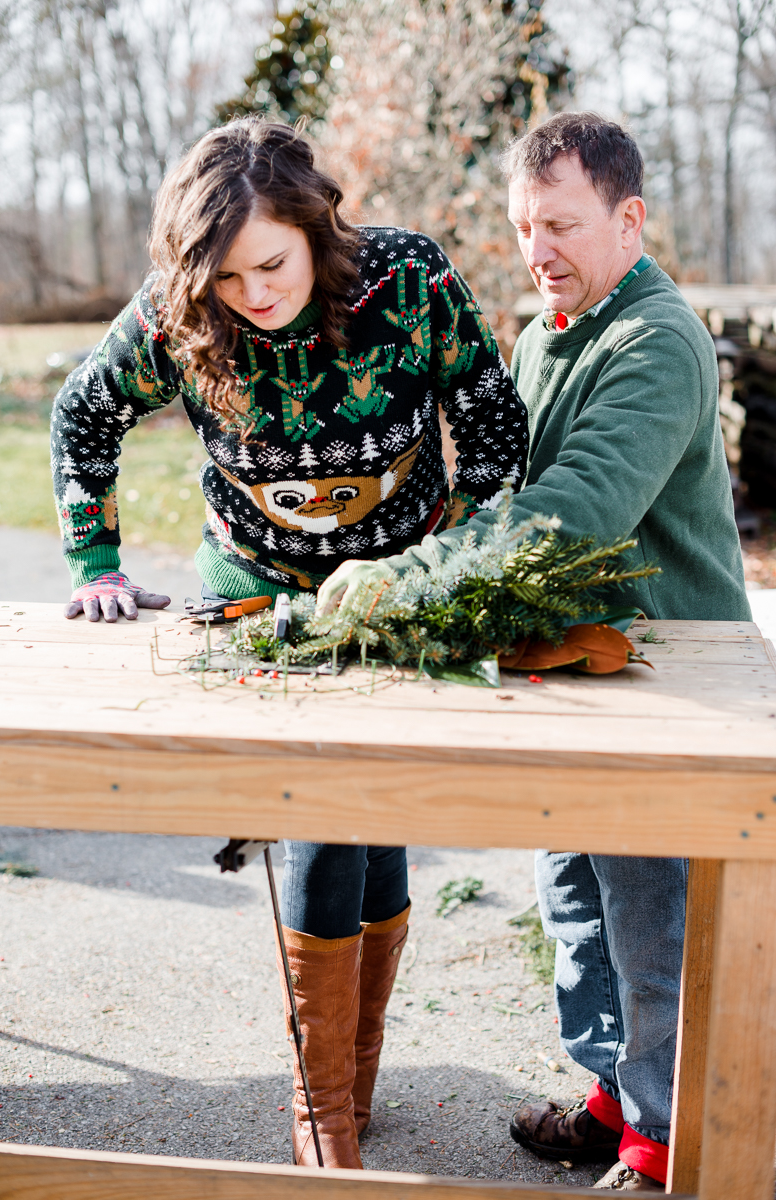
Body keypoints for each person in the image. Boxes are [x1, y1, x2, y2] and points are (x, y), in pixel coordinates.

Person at [50, 117, 529, 1168]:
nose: (254, 293)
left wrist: (456, 567)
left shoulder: (409, 283)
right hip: (262, 597)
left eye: (271, 263)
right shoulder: (181, 316)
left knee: (381, 805)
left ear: (318, 230)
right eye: (227, 278)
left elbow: (493, 426)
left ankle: (350, 1084)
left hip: (403, 589)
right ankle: (325, 1119)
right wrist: (97, 565)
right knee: (320, 810)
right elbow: (82, 416)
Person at [317, 112, 751, 1191]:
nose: (535, 249)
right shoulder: (544, 332)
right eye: (522, 226)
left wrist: (413, 582)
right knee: (577, 903)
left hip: (668, 674)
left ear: (629, 220)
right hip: (577, 668)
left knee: (651, 919)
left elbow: (576, 512)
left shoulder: (656, 342)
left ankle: (660, 1147)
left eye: (559, 224)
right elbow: (504, 490)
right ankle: (614, 1097)